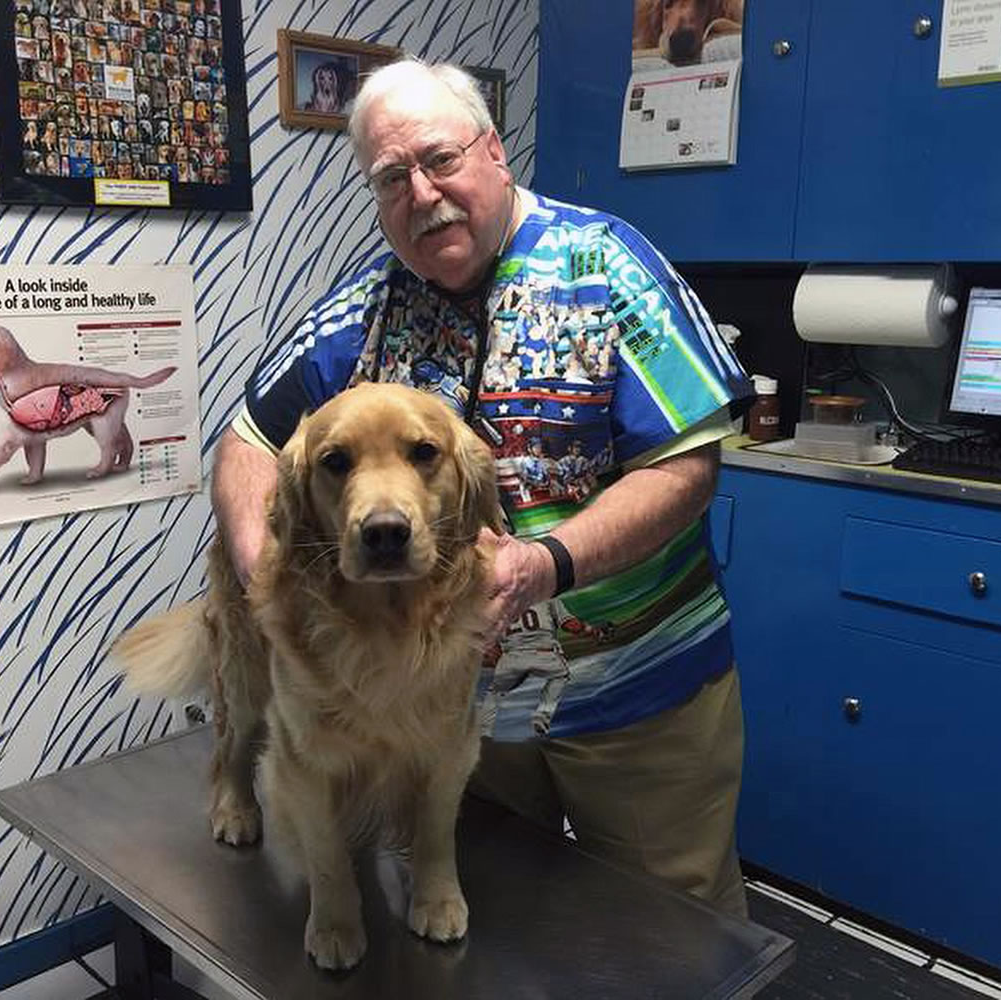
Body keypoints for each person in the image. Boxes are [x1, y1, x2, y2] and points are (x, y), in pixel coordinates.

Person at [209, 57, 753, 917]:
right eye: (392, 178)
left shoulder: (608, 268)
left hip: (632, 692)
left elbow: (687, 465)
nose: (422, 193)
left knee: (670, 931)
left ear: (492, 150)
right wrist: (258, 577)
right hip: (454, 709)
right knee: (502, 925)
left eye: (439, 159)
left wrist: (547, 563)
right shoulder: (360, 311)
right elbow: (244, 442)